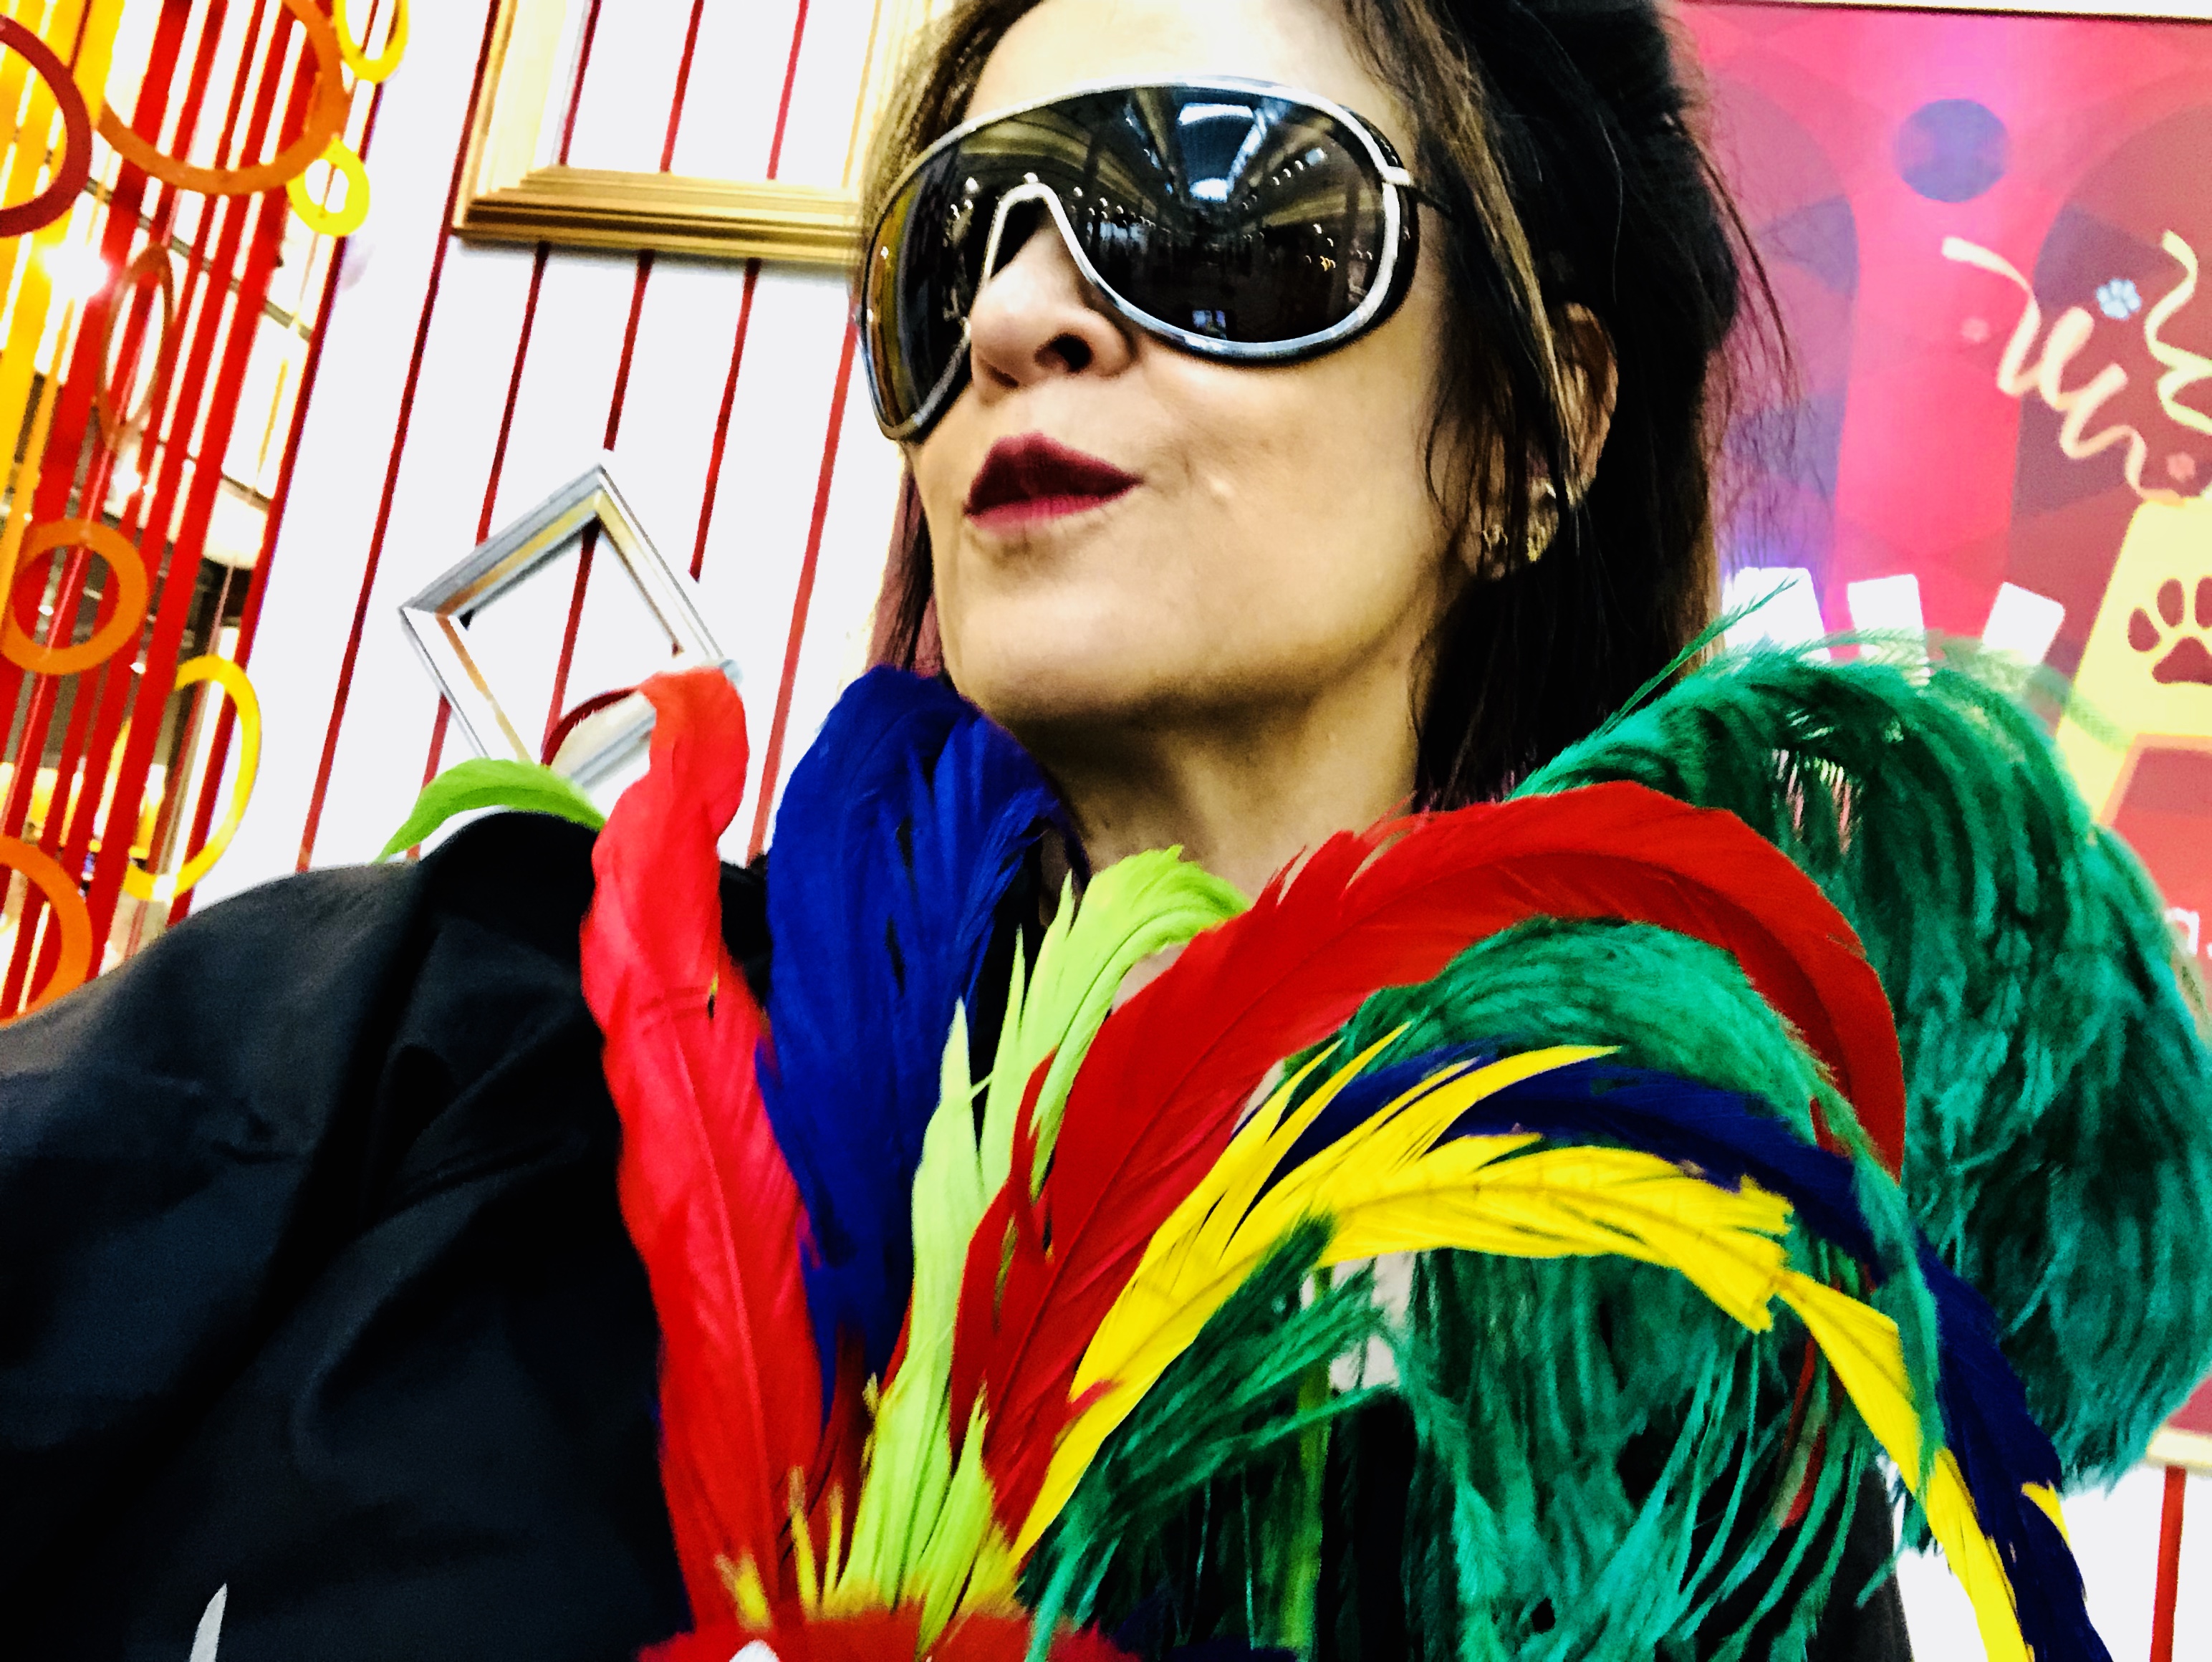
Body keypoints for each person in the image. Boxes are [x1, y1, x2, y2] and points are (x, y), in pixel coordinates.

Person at [2, 3, 2207, 1661]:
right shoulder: (452, 1035)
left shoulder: (1675, 1446)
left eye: (1221, 210)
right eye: (955, 241)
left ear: (1535, 433)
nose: (1014, 316)